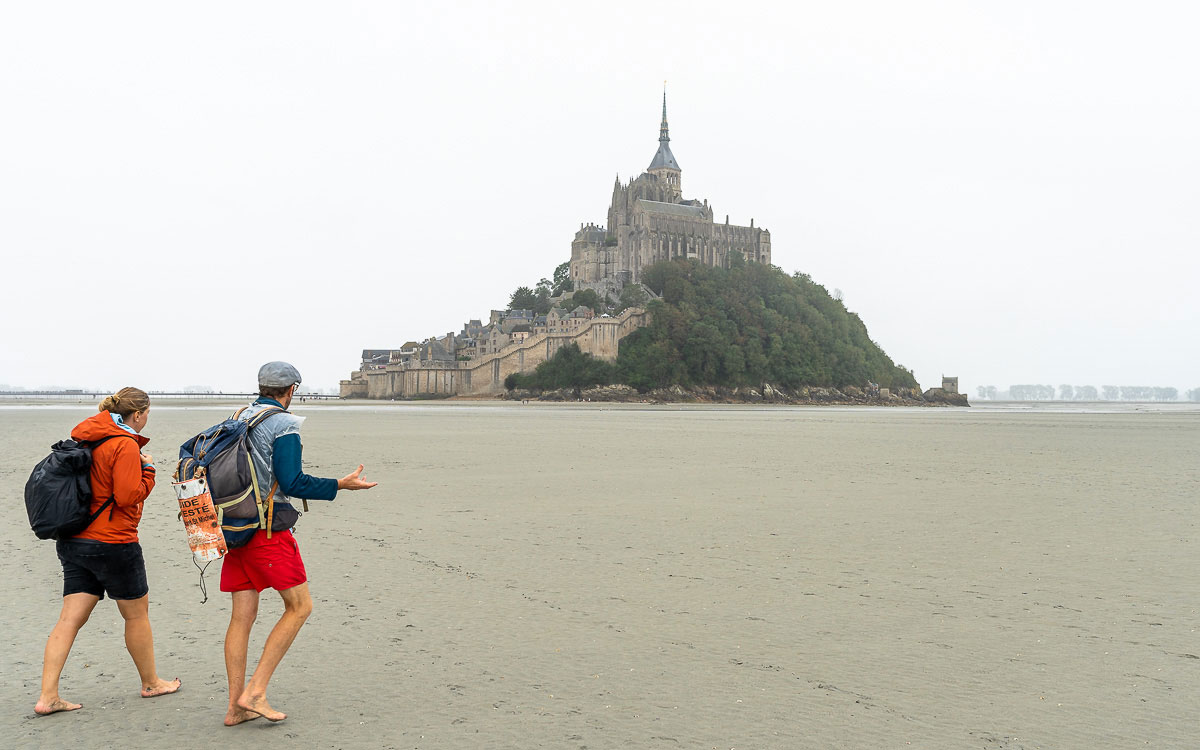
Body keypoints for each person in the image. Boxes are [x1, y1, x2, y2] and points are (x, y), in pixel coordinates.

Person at [222, 362, 377, 726]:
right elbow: (292, 482)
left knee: (241, 617)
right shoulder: (283, 423)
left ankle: (235, 707)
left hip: (233, 526)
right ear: (291, 389)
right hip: (266, 531)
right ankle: (255, 692)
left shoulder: (238, 415)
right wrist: (340, 484)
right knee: (300, 607)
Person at [35, 387, 181, 715]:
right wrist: (149, 470)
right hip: (114, 542)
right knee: (136, 614)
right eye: (147, 414)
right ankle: (151, 682)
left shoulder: (87, 436)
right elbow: (128, 495)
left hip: (74, 540)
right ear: (139, 414)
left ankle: (48, 696)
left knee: (69, 619)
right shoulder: (124, 443)